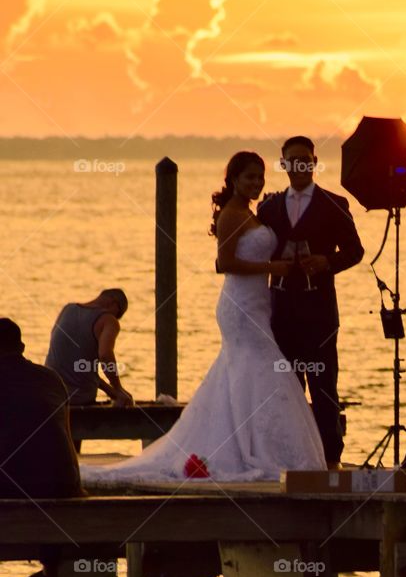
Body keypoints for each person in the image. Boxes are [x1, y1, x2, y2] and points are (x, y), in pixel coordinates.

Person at [81, 151, 325, 486]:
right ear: (234, 179)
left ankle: (255, 443)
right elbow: (224, 263)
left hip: (258, 304)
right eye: (249, 177)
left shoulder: (251, 213)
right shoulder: (231, 215)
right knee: (258, 365)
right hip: (239, 306)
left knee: (246, 370)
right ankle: (245, 448)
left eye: (260, 176)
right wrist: (273, 267)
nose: (256, 183)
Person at [257, 135, 364, 469]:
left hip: (320, 311)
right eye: (293, 160)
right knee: (285, 386)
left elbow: (355, 251)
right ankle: (288, 455)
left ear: (314, 162)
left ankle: (330, 457)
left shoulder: (335, 203)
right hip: (281, 310)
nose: (300, 165)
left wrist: (326, 262)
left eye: (305, 159)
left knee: (324, 386)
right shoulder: (269, 207)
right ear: (284, 164)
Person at [0, 318, 83, 577]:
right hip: (63, 485)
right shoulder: (51, 379)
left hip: (13, 487)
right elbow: (66, 436)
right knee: (44, 472)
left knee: (23, 470)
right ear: (22, 347)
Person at [45, 288, 134, 413]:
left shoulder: (68, 309)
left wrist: (112, 392)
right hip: (79, 399)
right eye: (118, 315)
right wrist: (118, 389)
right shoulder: (108, 320)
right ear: (114, 304)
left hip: (50, 394)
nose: (116, 318)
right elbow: (105, 356)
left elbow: (80, 369)